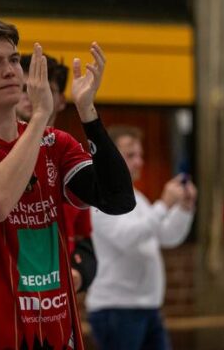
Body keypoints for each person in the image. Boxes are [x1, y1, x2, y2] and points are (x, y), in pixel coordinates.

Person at [0, 16, 135, 349]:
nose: (9, 71)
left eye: (12, 60)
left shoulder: (56, 143)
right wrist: (38, 118)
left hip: (55, 332)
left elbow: (118, 199)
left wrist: (88, 113)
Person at [86, 126, 197, 350]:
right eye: (130, 155)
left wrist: (184, 209)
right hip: (116, 309)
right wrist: (164, 204)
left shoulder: (137, 198)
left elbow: (166, 236)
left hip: (147, 306)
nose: (139, 162)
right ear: (110, 157)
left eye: (140, 155)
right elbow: (127, 237)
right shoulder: (100, 199)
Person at [17, 53, 97, 293]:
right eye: (25, 88)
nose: (34, 95)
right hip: (4, 296)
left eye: (45, 89)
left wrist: (79, 273)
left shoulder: (70, 157)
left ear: (61, 100)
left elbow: (85, 242)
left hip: (56, 300)